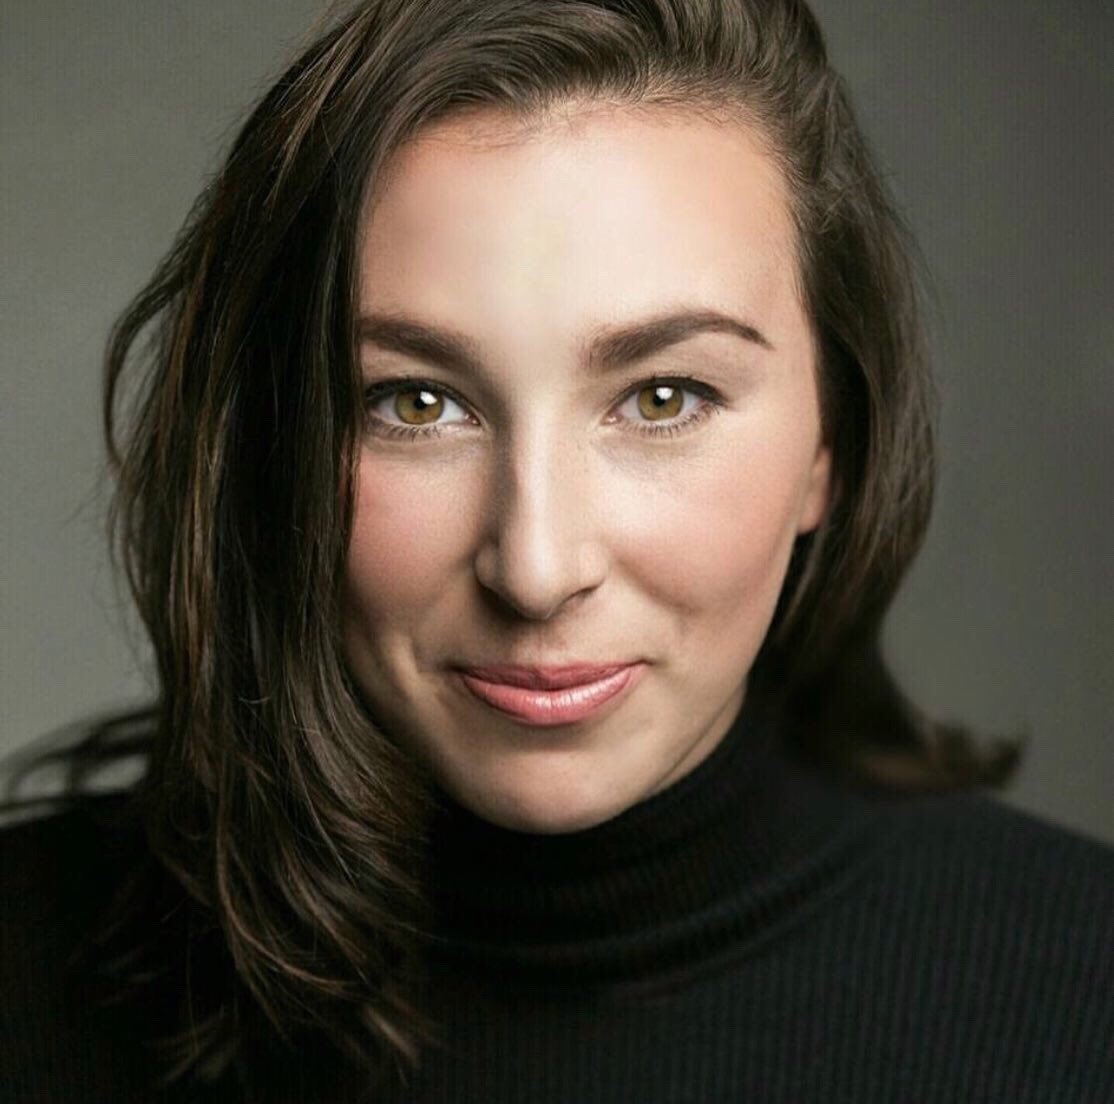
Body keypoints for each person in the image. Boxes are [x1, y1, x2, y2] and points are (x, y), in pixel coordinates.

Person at [2, 0, 1111, 1101]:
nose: (535, 571)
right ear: (271, 449)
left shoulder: (1080, 999)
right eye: (416, 403)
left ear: (832, 442)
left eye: (663, 398)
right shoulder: (25, 984)